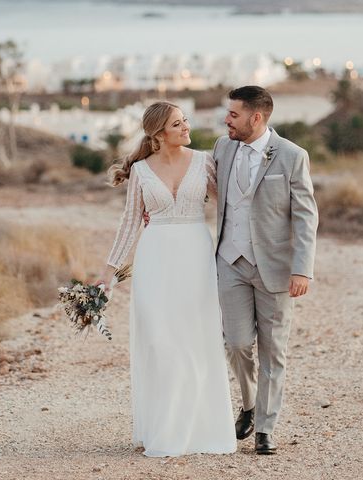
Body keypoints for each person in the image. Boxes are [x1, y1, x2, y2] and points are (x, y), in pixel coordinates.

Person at [99, 101, 236, 457]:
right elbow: (129, 223)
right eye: (178, 123)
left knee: (196, 340)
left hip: (196, 257)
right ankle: (165, 429)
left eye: (186, 120)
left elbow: (230, 207)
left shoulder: (205, 160)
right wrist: (108, 274)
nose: (186, 127)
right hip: (155, 259)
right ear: (159, 134)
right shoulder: (142, 172)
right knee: (160, 343)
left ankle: (202, 430)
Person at [214, 86, 318, 454]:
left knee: (273, 351)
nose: (226, 119)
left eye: (233, 114)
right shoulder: (222, 148)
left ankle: (265, 428)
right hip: (229, 262)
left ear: (255, 118)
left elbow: (305, 217)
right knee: (237, 344)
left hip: (274, 267)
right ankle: (249, 404)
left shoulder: (292, 156)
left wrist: (302, 269)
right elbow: (204, 188)